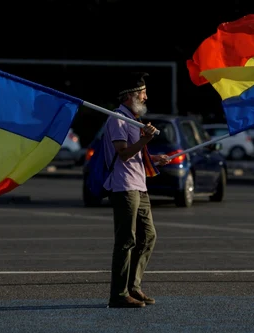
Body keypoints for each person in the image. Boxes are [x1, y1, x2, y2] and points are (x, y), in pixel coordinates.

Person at [103, 72, 170, 308]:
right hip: (124, 187)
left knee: (148, 236)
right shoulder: (118, 119)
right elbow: (122, 153)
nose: (146, 97)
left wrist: (153, 158)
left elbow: (134, 154)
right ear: (131, 96)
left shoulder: (131, 119)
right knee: (126, 240)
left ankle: (133, 287)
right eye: (143, 93)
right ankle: (118, 294)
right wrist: (145, 140)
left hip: (139, 186)